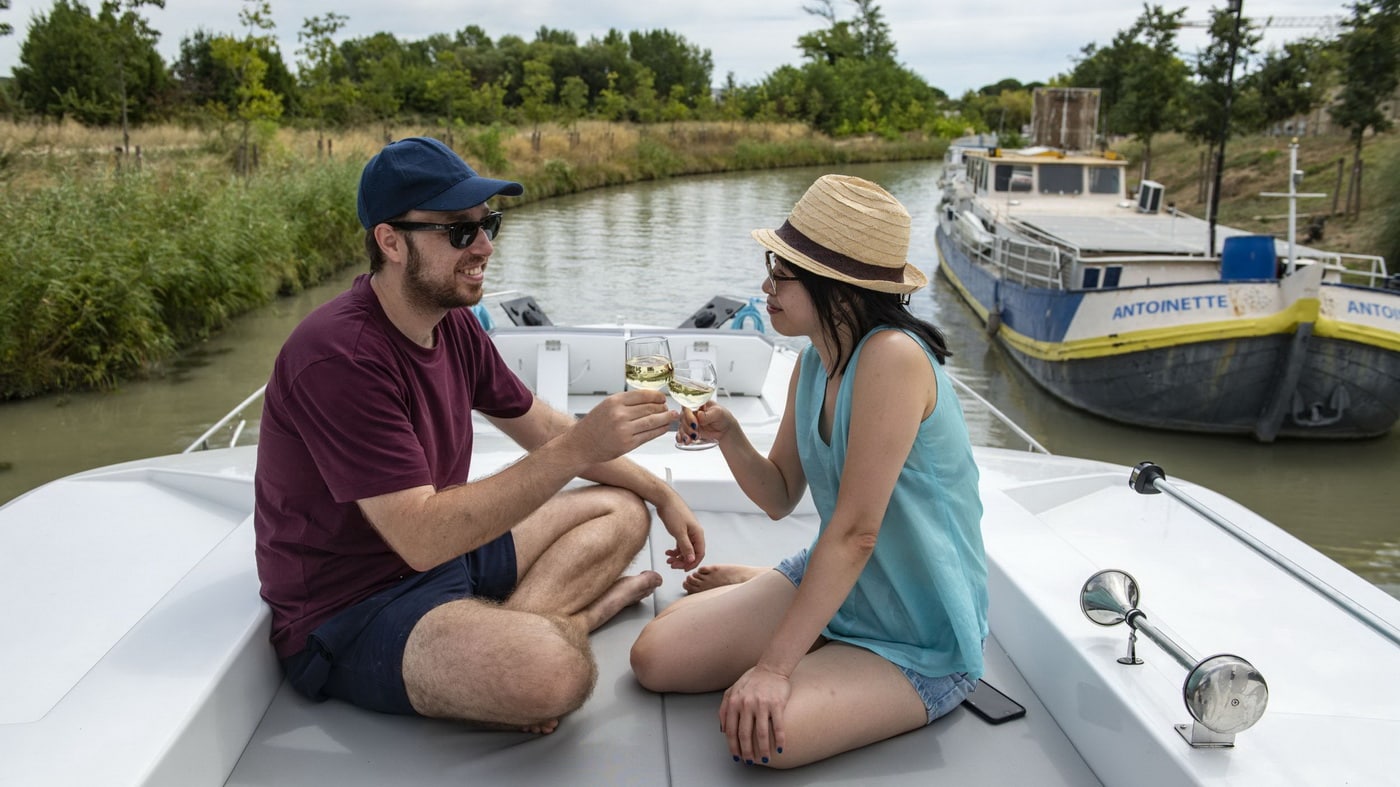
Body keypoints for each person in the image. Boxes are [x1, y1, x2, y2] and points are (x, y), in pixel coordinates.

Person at [254, 137, 704, 733]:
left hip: (447, 558)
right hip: (355, 607)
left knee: (625, 509)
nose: (486, 246)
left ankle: (522, 623)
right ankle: (562, 626)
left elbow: (541, 426)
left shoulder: (454, 325)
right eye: (460, 232)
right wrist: (580, 447)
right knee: (553, 675)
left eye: (488, 224)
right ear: (390, 242)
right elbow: (419, 536)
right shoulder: (340, 356)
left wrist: (663, 493)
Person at [629, 174, 987, 768]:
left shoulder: (892, 359)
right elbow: (778, 495)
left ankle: (800, 616)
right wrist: (730, 436)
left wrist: (773, 667)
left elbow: (856, 532)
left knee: (765, 736)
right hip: (844, 581)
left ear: (838, 287)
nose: (765, 285)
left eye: (782, 272)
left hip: (918, 632)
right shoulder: (814, 362)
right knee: (655, 659)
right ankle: (794, 602)